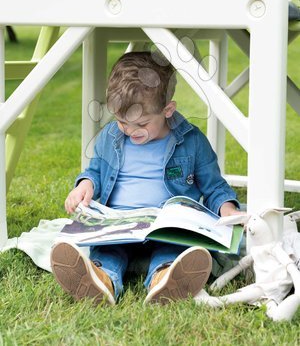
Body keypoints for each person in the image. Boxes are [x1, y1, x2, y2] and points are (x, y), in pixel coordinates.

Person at [51, 51, 242, 306]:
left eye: (140, 124)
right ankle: (100, 280)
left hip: (168, 228)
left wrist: (227, 208)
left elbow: (214, 186)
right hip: (119, 226)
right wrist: (86, 184)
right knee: (108, 252)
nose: (129, 131)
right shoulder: (111, 136)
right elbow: (96, 169)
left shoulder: (192, 141)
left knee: (172, 251)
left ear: (167, 110)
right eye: (121, 121)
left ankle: (165, 279)